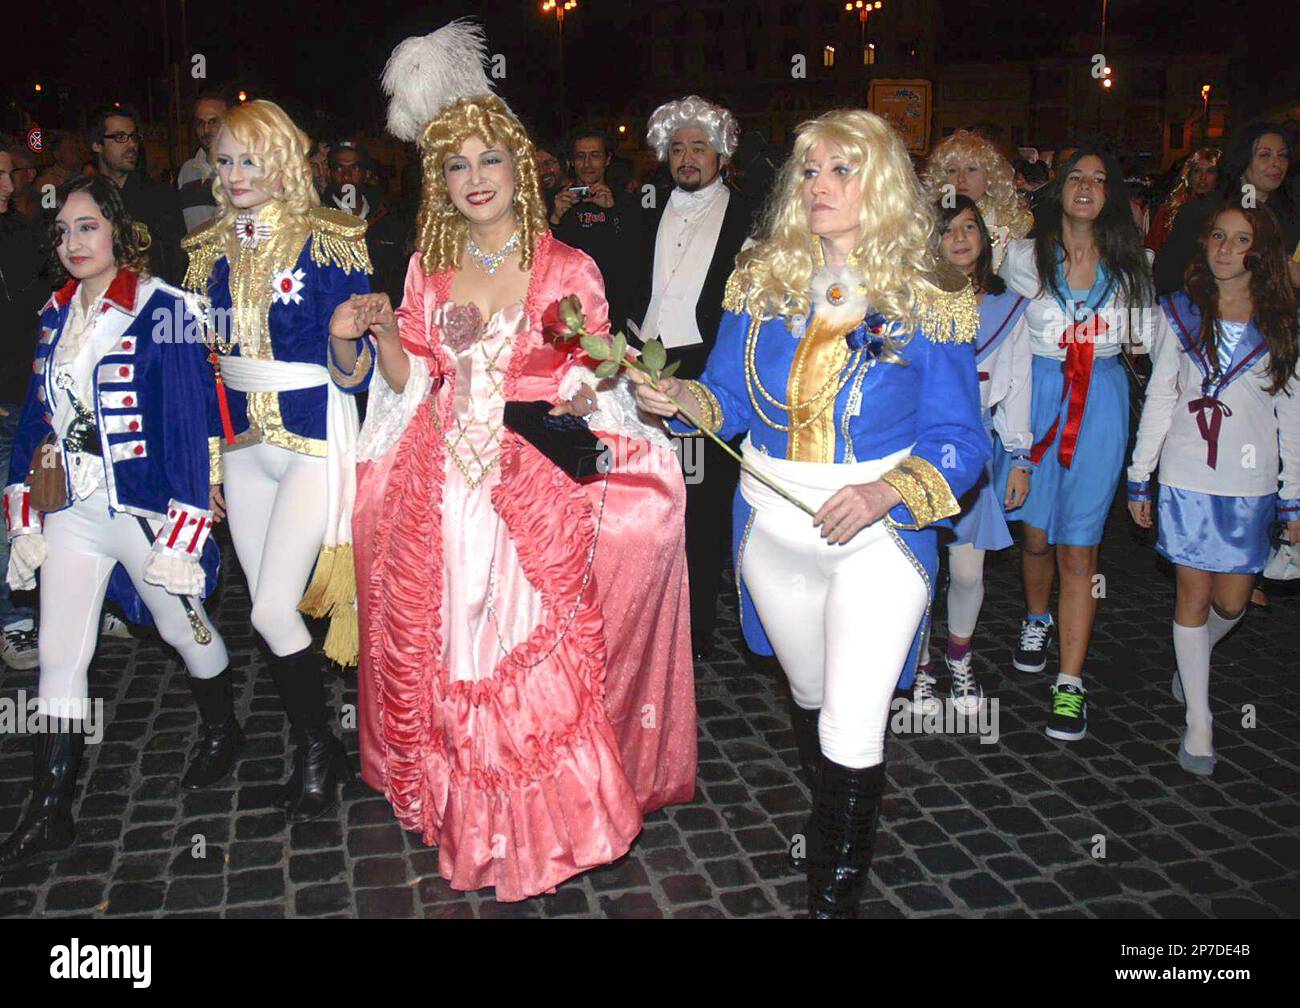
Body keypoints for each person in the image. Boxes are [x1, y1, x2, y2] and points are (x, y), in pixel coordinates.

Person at [348, 21, 696, 902]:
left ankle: (547, 826)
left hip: (528, 484)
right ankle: (473, 818)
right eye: (456, 167)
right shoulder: (429, 264)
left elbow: (588, 370)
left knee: (528, 649)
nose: (474, 181)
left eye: (488, 163)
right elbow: (414, 376)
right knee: (455, 640)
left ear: (519, 170)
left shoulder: (570, 266)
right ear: (442, 181)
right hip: (445, 484)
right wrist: (387, 333)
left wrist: (588, 387)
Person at [636, 108, 989, 918]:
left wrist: (885, 492)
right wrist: (678, 397)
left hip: (879, 539)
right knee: (811, 695)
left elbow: (960, 440)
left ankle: (831, 895)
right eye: (809, 171)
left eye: (842, 169)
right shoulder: (761, 279)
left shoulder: (929, 296)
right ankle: (835, 792)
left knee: (854, 723)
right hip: (771, 536)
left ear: (883, 185)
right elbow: (725, 400)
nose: (820, 185)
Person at [0, 175, 231, 867]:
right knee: (61, 652)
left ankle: (223, 730)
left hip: (140, 508)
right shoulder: (55, 312)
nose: (74, 242)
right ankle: (50, 808)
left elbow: (189, 424)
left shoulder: (168, 309)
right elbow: (37, 416)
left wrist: (184, 529)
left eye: (89, 227)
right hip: (71, 507)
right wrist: (22, 510)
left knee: (182, 630)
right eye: (65, 231)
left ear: (120, 232)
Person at [181, 99, 373, 823]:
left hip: (312, 439)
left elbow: (353, 370)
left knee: (266, 607)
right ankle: (322, 745)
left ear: (284, 161)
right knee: (273, 614)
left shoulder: (333, 241)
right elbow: (201, 366)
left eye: (250, 159)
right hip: (242, 449)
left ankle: (318, 755)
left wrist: (344, 337)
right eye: (224, 160)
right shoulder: (203, 253)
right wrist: (207, 464)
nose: (233, 175)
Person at [1128, 202, 1299, 776]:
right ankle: (1199, 720)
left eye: (1241, 238)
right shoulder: (1178, 312)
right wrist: (1140, 473)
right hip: (1185, 475)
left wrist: (1293, 494)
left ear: (1262, 250)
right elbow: (1160, 396)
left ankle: (1191, 660)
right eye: (1218, 237)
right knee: (1191, 597)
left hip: (1249, 484)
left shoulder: (1282, 323)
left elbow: (1293, 415)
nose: (1226, 248)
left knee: (1232, 600)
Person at [998, 146, 1155, 742]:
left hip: (1102, 408)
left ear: (1111, 194)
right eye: (1075, 178)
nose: (1086, 187)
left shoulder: (1134, 263)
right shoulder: (1021, 259)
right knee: (1035, 536)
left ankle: (1070, 681)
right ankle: (1036, 617)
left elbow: (1148, 346)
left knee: (1079, 548)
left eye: (1098, 179)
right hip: (1036, 400)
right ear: (1057, 189)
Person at [630, 95, 755, 659]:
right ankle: (645, 613)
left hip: (706, 372)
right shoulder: (641, 208)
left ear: (721, 153)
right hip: (638, 368)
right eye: (677, 148)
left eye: (698, 147)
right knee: (644, 497)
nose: (687, 158)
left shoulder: (749, 217)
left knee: (701, 502)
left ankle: (697, 623)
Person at [907, 196, 1032, 717]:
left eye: (969, 227)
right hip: (914, 447)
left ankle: (959, 657)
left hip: (974, 453)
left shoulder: (1008, 307)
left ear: (985, 237)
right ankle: (916, 666)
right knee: (915, 568)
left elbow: (1019, 384)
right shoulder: (911, 303)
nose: (960, 238)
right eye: (947, 229)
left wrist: (1021, 455)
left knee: (966, 572)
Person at [0, 134, 47, 671]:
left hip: (26, 394)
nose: (11, 186)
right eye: (2, 176)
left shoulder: (22, 233)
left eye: (13, 174)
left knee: (37, 504)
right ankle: (14, 621)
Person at [1155, 124, 1297, 294]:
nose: (1277, 163)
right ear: (1243, 159)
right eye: (1265, 155)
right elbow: (1169, 274)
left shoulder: (1290, 215)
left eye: (1282, 155)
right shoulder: (1203, 211)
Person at [551, 126, 644, 332]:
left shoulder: (626, 202)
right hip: (567, 307)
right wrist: (556, 219)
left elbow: (635, 257)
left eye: (595, 156)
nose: (587, 164)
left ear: (607, 159)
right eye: (580, 156)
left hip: (613, 309)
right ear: (572, 162)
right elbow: (544, 258)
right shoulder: (557, 201)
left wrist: (612, 213)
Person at [87, 104, 187, 284]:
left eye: (133, 137)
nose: (131, 144)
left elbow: (178, 263)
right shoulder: (86, 200)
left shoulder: (160, 196)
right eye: (120, 137)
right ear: (97, 145)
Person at [924, 128, 1034, 270]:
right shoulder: (927, 222)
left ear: (990, 174)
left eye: (971, 169)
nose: (961, 179)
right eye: (952, 170)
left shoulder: (1014, 221)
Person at [1146, 147, 1220, 253]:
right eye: (1197, 171)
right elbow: (1152, 249)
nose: (1203, 177)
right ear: (1188, 176)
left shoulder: (1225, 211)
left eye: (1210, 171)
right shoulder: (1169, 210)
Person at [177, 89, 229, 234]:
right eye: (200, 123)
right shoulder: (187, 171)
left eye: (213, 122)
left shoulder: (240, 170)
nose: (206, 130)